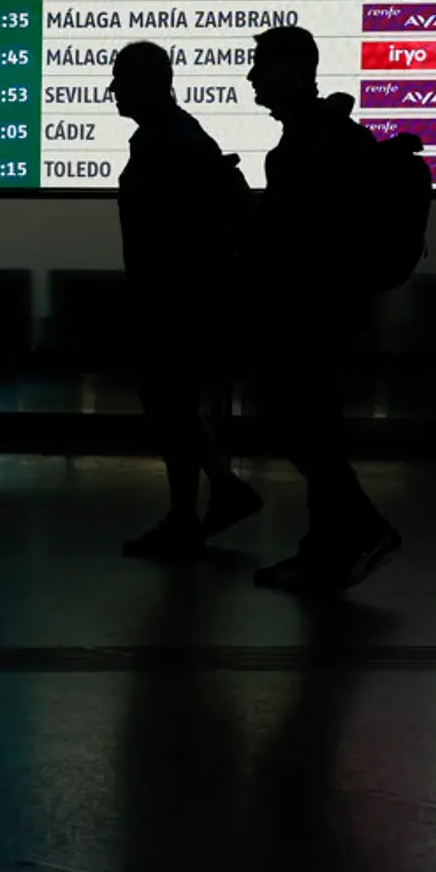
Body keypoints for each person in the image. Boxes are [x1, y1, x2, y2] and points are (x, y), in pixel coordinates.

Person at [243, 25, 400, 592]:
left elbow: (305, 243)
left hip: (308, 314)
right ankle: (326, 546)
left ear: (290, 70)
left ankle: (359, 530)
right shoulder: (331, 137)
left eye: (260, 64)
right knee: (311, 428)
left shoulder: (311, 145)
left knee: (302, 428)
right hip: (326, 312)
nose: (251, 75)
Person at [110, 41, 263, 560]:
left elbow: (173, 235)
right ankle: (218, 489)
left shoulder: (166, 144)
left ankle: (186, 515)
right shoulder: (177, 137)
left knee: (169, 404)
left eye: (121, 81)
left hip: (174, 302)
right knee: (170, 403)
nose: (113, 92)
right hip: (180, 298)